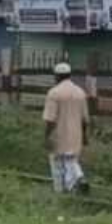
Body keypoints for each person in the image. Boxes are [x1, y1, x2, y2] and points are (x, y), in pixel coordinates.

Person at [43, 62, 90, 194]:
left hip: (59, 134)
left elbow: (50, 119)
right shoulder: (80, 92)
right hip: (76, 135)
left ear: (57, 76)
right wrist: (85, 136)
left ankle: (61, 190)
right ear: (69, 75)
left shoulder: (54, 93)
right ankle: (78, 179)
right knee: (71, 160)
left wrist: (46, 137)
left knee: (57, 164)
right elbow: (85, 119)